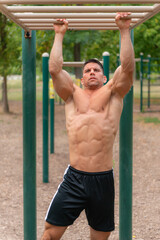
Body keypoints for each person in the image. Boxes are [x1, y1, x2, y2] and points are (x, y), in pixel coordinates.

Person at [41, 12, 134, 240]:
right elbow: (54, 69)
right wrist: (59, 35)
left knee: (99, 238)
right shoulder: (72, 95)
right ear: (81, 78)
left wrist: (123, 30)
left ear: (104, 77)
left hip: (103, 179)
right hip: (74, 178)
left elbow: (128, 68)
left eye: (96, 70)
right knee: (50, 234)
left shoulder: (114, 93)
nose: (92, 72)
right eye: (87, 71)